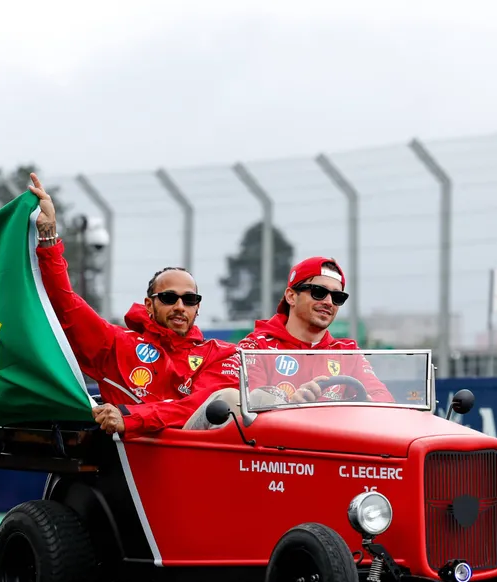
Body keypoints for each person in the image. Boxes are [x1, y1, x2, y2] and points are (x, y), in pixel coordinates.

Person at [29, 174, 241, 438]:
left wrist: (129, 416)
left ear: (197, 308)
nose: (179, 306)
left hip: (198, 454)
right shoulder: (116, 344)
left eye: (189, 300)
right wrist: (48, 234)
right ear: (149, 305)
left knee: (235, 399)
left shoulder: (221, 354)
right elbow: (64, 303)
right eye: (168, 298)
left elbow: (198, 407)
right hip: (132, 458)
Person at [237, 256, 393, 404]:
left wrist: (367, 406)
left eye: (337, 297)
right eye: (319, 292)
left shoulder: (347, 353)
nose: (329, 302)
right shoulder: (256, 348)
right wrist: (289, 406)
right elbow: (246, 413)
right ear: (291, 296)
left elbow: (383, 398)